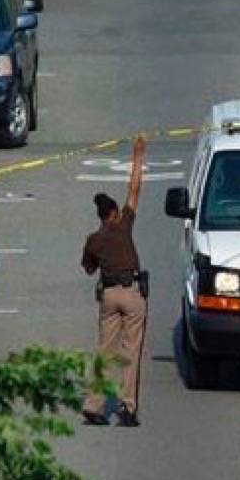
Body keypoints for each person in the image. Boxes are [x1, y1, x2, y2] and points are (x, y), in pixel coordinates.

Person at [81, 136, 149, 427]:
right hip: (132, 293)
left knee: (104, 351)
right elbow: (134, 189)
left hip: (108, 295)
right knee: (130, 350)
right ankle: (127, 407)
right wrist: (138, 154)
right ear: (115, 214)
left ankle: (94, 406)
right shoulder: (124, 225)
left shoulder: (94, 239)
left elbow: (87, 269)